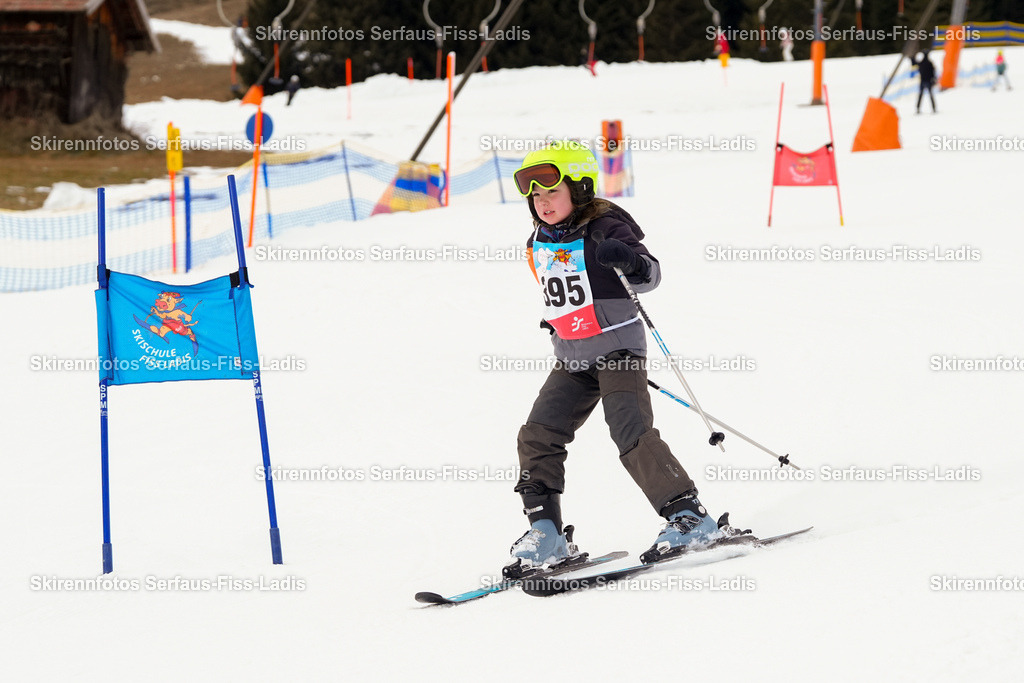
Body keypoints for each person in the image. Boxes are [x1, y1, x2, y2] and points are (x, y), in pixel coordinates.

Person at [503, 141, 718, 578]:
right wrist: (558, 323)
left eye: (552, 192)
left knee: (631, 433)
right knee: (537, 435)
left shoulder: (605, 228)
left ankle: (689, 516)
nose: (543, 203)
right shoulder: (538, 240)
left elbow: (650, 273)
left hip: (619, 352)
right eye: (536, 197)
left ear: (579, 190)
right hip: (572, 358)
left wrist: (630, 261)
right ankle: (545, 531)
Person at [910, 49, 937, 114]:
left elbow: (914, 63)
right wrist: (933, 80)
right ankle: (933, 108)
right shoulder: (930, 63)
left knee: (921, 96)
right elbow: (933, 73)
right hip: (928, 82)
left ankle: (918, 109)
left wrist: (912, 58)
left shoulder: (921, 63)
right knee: (930, 96)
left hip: (922, 81)